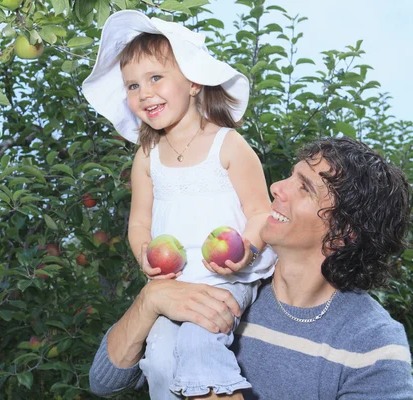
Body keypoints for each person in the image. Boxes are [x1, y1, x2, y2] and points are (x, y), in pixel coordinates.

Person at [89, 136, 413, 399]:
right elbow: (105, 382)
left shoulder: (373, 343)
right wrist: (148, 302)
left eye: (304, 188)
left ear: (344, 234)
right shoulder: (233, 282)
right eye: (291, 175)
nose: (277, 187)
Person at [82, 10, 276, 398]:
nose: (144, 93)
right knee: (159, 355)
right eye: (132, 85)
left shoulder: (229, 145)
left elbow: (261, 213)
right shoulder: (146, 156)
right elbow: (139, 223)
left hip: (227, 277)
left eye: (156, 78)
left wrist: (248, 249)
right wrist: (144, 256)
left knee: (197, 344)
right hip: (175, 283)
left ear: (192, 81)